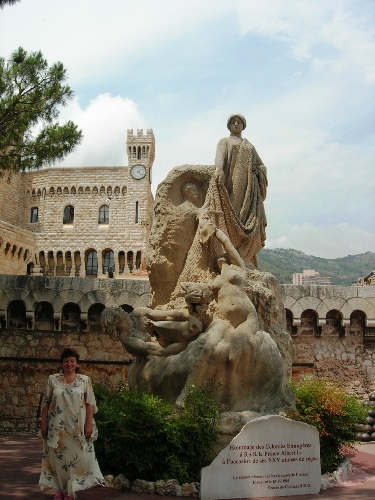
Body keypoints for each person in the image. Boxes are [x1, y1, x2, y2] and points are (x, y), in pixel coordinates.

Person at [39, 348, 104, 500]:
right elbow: (46, 403)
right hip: (57, 429)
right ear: (62, 363)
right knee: (59, 461)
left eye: (72, 361)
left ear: (77, 363)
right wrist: (43, 423)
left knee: (78, 460)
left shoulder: (85, 380)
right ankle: (62, 490)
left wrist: (88, 425)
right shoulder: (53, 380)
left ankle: (71, 491)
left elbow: (90, 404)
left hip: (77, 429)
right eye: (66, 361)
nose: (69, 363)